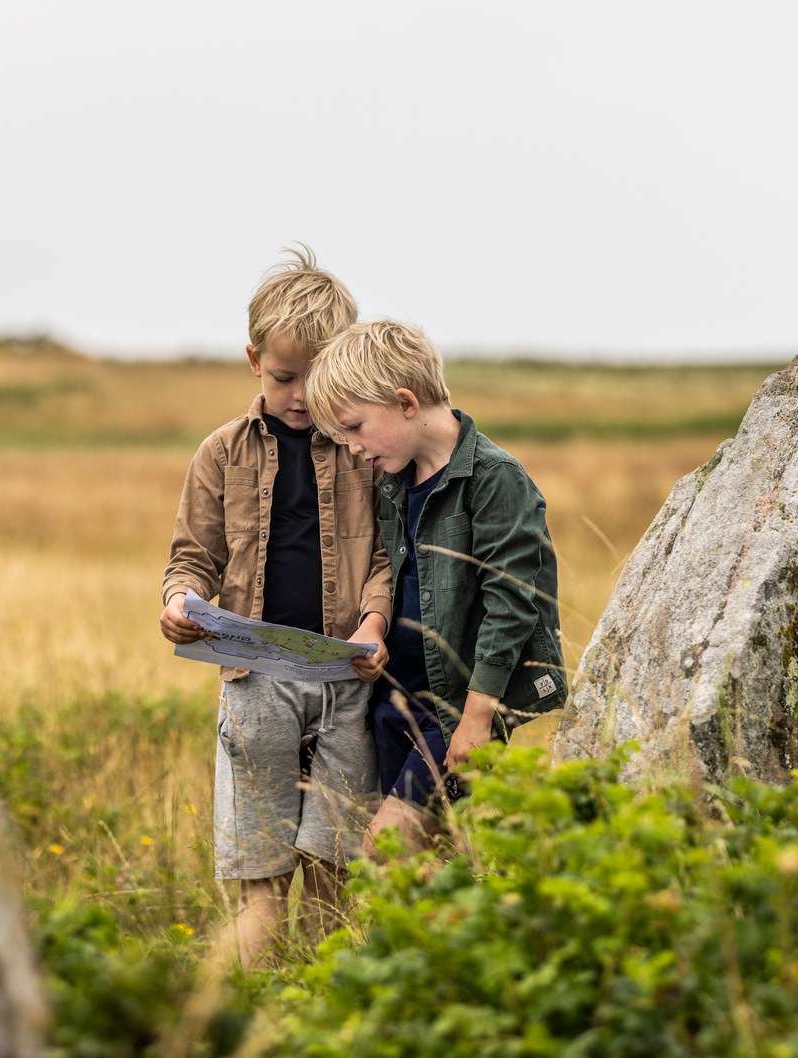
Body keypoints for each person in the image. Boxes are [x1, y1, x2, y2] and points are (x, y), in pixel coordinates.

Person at [158, 247, 390, 965]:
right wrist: (177, 603)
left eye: (318, 378)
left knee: (332, 877)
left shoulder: (364, 453)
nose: (299, 394)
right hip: (252, 685)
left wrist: (375, 621)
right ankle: (238, 1007)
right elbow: (190, 557)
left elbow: (386, 558)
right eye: (286, 376)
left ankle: (319, 1015)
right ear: (254, 359)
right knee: (263, 885)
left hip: (346, 686)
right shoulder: (220, 453)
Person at [305, 319, 567, 857]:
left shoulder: (493, 479)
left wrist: (478, 717)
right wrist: (373, 625)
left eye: (355, 428)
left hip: (457, 705)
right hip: (397, 698)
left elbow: (512, 603)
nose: (352, 448)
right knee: (440, 856)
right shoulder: (395, 483)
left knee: (385, 850)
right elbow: (391, 571)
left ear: (406, 402)